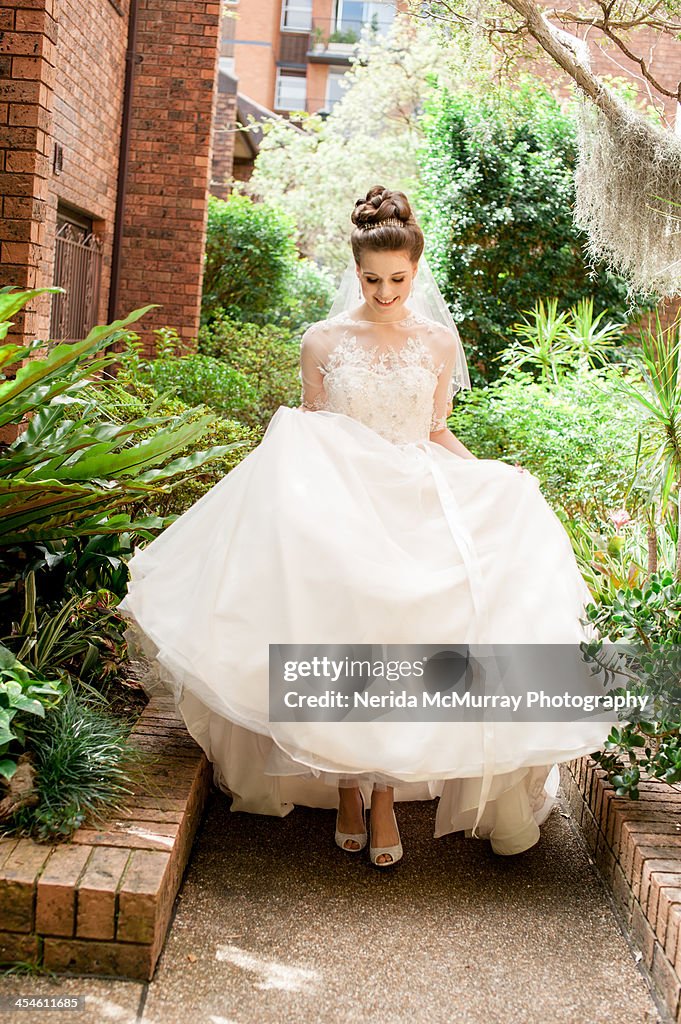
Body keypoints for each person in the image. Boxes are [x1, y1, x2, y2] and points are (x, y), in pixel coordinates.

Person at [120, 185, 613, 869]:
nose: (385, 292)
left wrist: (497, 476)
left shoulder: (436, 342)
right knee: (343, 634)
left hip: (414, 502)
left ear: (416, 271)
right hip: (341, 504)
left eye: (398, 280)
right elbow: (311, 432)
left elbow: (436, 428)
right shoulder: (322, 339)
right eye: (373, 279)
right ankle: (348, 786)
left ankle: (382, 796)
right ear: (355, 272)